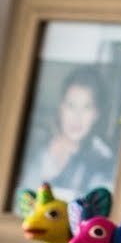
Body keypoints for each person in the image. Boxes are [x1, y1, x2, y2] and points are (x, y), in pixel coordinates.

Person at [14, 64, 115, 208]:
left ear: (96, 114)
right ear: (61, 107)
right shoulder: (35, 146)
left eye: (87, 107)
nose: (77, 117)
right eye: (71, 105)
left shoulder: (103, 161)